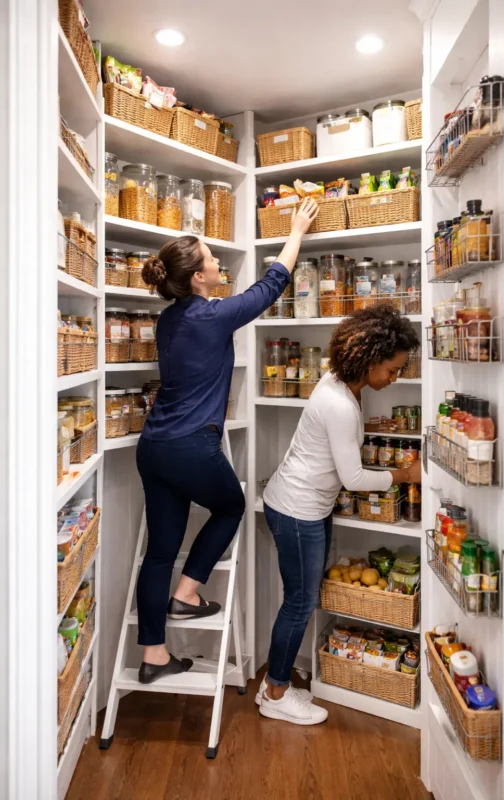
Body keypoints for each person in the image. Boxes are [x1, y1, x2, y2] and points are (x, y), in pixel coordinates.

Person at [135, 197, 319, 685]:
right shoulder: (211, 316)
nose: (219, 264)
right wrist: (296, 229)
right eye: (212, 259)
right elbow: (272, 284)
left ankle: (153, 655)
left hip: (153, 447)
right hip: (190, 446)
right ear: (198, 277)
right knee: (232, 506)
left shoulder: (170, 318)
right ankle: (188, 594)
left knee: (160, 551)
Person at [260, 305, 421, 724]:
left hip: (305, 506)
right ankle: (275, 693)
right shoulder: (340, 403)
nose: (394, 378)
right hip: (297, 511)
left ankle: (277, 680)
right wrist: (406, 474)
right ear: (368, 359)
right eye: (392, 369)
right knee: (299, 603)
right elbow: (351, 475)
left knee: (300, 599)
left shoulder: (344, 383)